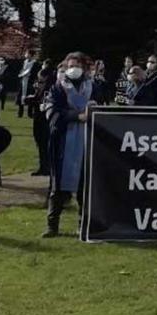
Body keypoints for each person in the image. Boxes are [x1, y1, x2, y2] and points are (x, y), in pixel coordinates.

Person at [43, 53, 101, 237]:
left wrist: (95, 111)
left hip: (88, 142)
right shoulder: (57, 89)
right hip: (63, 143)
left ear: (84, 67)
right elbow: (52, 114)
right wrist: (77, 116)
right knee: (57, 187)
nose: (73, 68)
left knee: (85, 187)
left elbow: (106, 108)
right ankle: (52, 226)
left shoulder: (94, 87)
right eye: (70, 65)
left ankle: (83, 225)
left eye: (76, 65)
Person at [31, 60, 56, 177]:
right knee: (40, 143)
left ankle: (46, 166)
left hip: (44, 119)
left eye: (40, 80)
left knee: (44, 143)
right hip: (38, 118)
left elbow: (43, 101)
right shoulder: (40, 88)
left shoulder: (49, 88)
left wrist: (33, 99)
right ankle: (43, 166)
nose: (38, 82)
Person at [16, 49, 40, 118]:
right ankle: (20, 113)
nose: (26, 55)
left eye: (27, 53)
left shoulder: (35, 63)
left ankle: (30, 113)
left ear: (31, 55)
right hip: (23, 81)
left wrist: (31, 76)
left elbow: (36, 73)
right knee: (21, 97)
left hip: (30, 82)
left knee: (30, 98)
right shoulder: (24, 62)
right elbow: (21, 70)